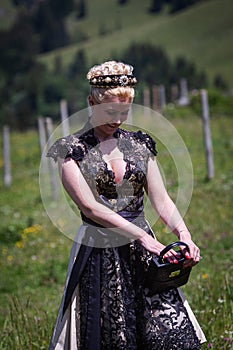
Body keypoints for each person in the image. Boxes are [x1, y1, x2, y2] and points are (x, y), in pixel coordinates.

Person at [47, 60, 206, 349]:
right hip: (98, 249)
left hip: (143, 249)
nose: (118, 119)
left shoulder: (139, 144)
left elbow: (162, 200)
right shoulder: (71, 150)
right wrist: (143, 236)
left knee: (165, 335)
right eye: (110, 112)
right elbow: (92, 209)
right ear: (91, 102)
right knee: (110, 335)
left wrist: (184, 235)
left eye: (125, 111)